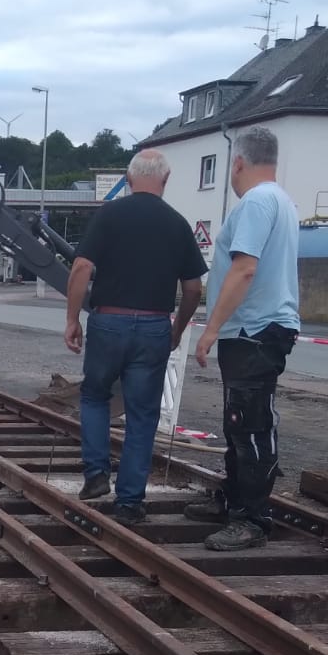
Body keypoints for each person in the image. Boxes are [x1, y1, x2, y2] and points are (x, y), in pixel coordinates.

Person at [64, 150, 206, 525]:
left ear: (128, 178)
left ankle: (96, 474)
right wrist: (177, 329)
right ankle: (129, 502)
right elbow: (193, 288)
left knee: (94, 396)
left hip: (108, 322)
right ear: (166, 179)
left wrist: (72, 319)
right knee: (142, 415)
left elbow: (81, 267)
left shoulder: (108, 215)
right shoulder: (177, 224)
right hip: (154, 327)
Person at [186, 126, 300, 551]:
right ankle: (234, 499)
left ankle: (251, 518)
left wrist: (211, 328)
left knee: (250, 423)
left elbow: (244, 268)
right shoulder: (281, 201)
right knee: (239, 420)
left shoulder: (256, 202)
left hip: (253, 330)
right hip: (259, 329)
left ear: (236, 162)